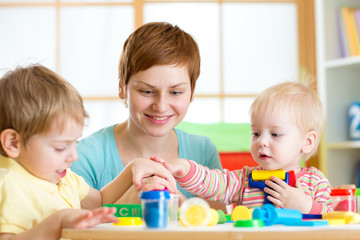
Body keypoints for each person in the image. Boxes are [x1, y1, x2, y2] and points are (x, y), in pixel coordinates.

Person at [0, 65, 175, 240]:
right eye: (60, 147)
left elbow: (99, 201)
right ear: (13, 143)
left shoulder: (62, 177)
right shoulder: (9, 185)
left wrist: (132, 168)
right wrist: (58, 223)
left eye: (74, 142)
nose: (74, 156)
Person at [70, 22, 223, 204]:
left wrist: (183, 209)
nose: (161, 106)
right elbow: (73, 227)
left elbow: (219, 224)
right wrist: (125, 206)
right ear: (122, 87)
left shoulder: (203, 152)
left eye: (175, 92)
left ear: (192, 92)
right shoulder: (84, 156)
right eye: (147, 91)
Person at [144, 81, 333, 214]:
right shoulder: (243, 180)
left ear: (307, 142)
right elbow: (213, 182)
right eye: (256, 133)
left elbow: (337, 219)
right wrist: (185, 168)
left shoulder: (315, 181)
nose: (262, 142)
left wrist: (307, 207)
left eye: (275, 134)